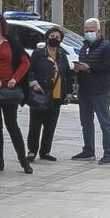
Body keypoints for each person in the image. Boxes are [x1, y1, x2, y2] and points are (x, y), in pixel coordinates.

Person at [0, 12, 34, 175]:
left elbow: (25, 62)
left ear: (2, 24)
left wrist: (15, 79)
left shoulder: (12, 43)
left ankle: (24, 162)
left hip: (9, 91)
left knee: (12, 125)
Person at [71, 17, 110, 164]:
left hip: (100, 90)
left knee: (105, 122)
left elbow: (107, 68)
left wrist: (89, 68)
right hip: (85, 90)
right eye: (86, 31)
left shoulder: (107, 47)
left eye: (91, 31)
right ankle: (88, 150)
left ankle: (108, 153)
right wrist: (78, 69)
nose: (88, 33)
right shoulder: (84, 47)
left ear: (98, 31)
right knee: (86, 122)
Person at [25, 28, 65, 159]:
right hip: (40, 94)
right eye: (52, 36)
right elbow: (29, 71)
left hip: (56, 96)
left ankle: (45, 151)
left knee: (50, 125)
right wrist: (33, 83)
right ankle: (32, 150)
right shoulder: (38, 54)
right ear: (47, 38)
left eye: (57, 37)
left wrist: (68, 93)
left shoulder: (62, 55)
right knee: (35, 125)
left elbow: (66, 75)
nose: (55, 38)